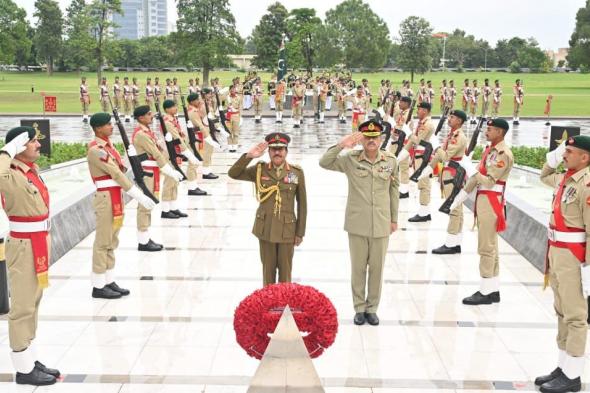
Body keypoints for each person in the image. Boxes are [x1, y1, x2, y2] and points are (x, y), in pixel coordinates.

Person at [319, 120, 399, 326]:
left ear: (381, 139)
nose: (371, 141)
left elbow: (394, 191)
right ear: (361, 139)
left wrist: (394, 219)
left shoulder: (391, 161)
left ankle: (372, 308)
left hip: (381, 222)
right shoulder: (350, 159)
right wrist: (341, 145)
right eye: (367, 137)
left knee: (377, 268)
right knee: (358, 268)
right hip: (357, 223)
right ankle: (359, 308)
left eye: (375, 137)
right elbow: (324, 162)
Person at [0, 127, 60, 385]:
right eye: (32, 141)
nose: (37, 145)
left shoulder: (29, 172)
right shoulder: (9, 173)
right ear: (19, 146)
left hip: (38, 240)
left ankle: (30, 356)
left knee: (34, 301)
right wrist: (7, 149)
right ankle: (23, 370)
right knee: (23, 306)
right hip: (24, 243)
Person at [535, 135, 590, 393]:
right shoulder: (567, 178)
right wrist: (556, 155)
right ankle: (563, 366)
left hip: (574, 255)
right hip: (557, 252)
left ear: (585, 157)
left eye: (569, 151)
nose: (565, 155)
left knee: (576, 316)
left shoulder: (587, 184)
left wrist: (588, 269)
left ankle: (573, 375)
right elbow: (544, 175)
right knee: (561, 311)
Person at [87, 113, 156, 299]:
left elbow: (122, 169)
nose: (111, 127)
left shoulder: (108, 148)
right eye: (107, 125)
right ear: (98, 128)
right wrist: (137, 194)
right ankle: (98, 285)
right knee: (103, 242)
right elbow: (116, 174)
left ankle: (108, 280)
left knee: (111, 240)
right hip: (106, 198)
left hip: (114, 196)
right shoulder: (97, 150)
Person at [228, 132, 307, 286]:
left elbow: (302, 204)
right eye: (273, 149)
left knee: (285, 273)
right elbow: (233, 174)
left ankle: (283, 306)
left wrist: (300, 232)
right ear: (269, 152)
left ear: (286, 151)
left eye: (281, 149)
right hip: (266, 228)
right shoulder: (259, 169)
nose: (277, 152)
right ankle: (268, 306)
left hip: (287, 230)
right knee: (268, 273)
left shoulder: (296, 172)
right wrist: (250, 156)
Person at [451, 118, 514, 304]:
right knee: (491, 246)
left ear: (500, 133)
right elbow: (478, 177)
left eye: (491, 129)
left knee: (486, 247)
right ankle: (492, 289)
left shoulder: (503, 154)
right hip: (485, 200)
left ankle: (485, 291)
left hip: (491, 202)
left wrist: (469, 169)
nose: (487, 132)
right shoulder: (491, 150)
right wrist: (461, 196)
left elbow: (488, 181)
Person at [131, 105, 184, 251]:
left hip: (151, 171)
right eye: (149, 114)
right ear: (141, 118)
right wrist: (170, 171)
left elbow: (158, 150)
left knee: (148, 206)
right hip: (146, 172)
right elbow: (156, 154)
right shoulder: (141, 134)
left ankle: (145, 238)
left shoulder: (147, 132)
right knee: (144, 207)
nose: (151, 116)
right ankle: (143, 241)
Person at [418, 110, 468, 254]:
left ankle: (451, 243)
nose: (449, 119)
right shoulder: (453, 135)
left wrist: (436, 147)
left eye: (452, 117)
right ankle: (456, 241)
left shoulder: (458, 137)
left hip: (453, 174)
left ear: (459, 121)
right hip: (450, 173)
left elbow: (446, 157)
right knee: (456, 208)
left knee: (453, 208)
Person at [396, 102, 435, 221]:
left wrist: (408, 133)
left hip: (423, 156)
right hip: (419, 156)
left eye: (419, 109)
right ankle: (424, 211)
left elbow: (418, 141)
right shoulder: (422, 123)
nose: (417, 112)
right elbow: (412, 143)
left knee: (424, 185)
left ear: (425, 111)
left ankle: (424, 213)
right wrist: (399, 158)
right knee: (422, 184)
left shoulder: (427, 124)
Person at [187, 91, 220, 180]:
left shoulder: (196, 108)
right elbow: (200, 125)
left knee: (208, 152)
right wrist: (208, 136)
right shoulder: (194, 110)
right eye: (197, 100)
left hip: (203, 132)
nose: (199, 101)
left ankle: (207, 170)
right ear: (191, 102)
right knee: (205, 153)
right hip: (200, 134)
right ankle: (205, 172)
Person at [389, 96, 412, 198]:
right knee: (392, 163)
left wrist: (395, 132)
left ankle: (404, 190)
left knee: (403, 167)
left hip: (402, 142)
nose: (399, 103)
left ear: (407, 104)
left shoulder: (407, 115)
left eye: (402, 102)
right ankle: (394, 185)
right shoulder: (403, 113)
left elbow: (404, 129)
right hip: (396, 141)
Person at [225, 85, 242, 152]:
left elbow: (240, 107)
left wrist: (240, 116)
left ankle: (234, 146)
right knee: (228, 131)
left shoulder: (238, 97)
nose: (232, 90)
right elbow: (223, 106)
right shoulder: (227, 98)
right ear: (229, 90)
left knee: (235, 132)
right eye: (231, 89)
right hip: (228, 115)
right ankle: (230, 146)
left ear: (235, 90)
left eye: (233, 89)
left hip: (236, 115)